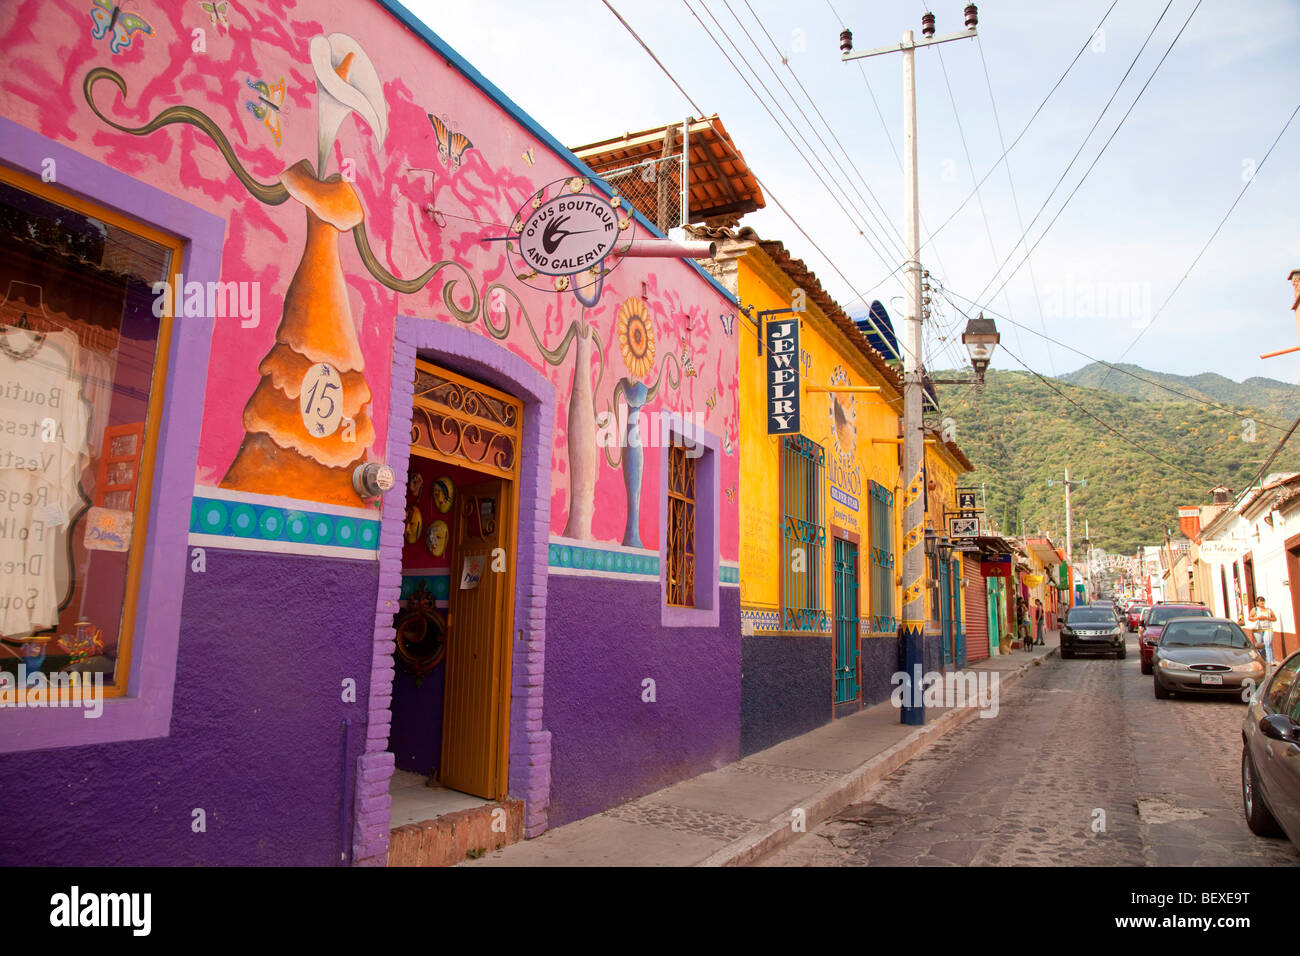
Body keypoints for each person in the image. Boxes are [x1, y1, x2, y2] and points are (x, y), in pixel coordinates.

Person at [1248, 596, 1277, 665]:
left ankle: (1271, 660)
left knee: (1268, 643)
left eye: (1263, 601)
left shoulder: (1269, 610)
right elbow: (1250, 618)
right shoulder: (1255, 610)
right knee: (1260, 645)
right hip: (1258, 628)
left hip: (1268, 628)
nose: (1262, 602)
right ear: (1257, 602)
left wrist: (1266, 618)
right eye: (1260, 601)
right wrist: (1257, 618)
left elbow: (1274, 618)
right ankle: (1262, 660)